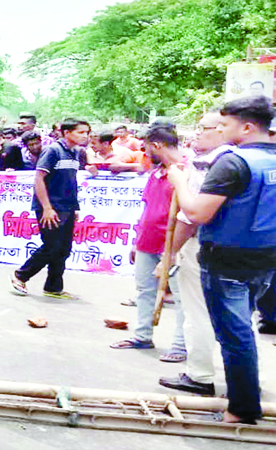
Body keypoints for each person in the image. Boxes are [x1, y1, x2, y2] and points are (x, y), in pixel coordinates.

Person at [168, 95, 276, 424]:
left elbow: (197, 212)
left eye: (225, 124)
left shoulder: (233, 162)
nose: (220, 129)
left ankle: (241, 409)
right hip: (265, 258)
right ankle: (245, 397)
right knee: (242, 329)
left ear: (246, 126)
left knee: (234, 335)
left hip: (228, 260)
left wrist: (179, 182)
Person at [155, 111, 235, 396]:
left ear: (224, 129)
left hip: (206, 246)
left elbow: (191, 216)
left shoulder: (214, 164)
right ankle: (243, 379)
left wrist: (170, 255)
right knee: (236, 317)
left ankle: (199, 375)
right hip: (242, 250)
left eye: (204, 128)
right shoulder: (250, 161)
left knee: (198, 313)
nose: (197, 134)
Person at [109, 122, 186, 362]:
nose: (144, 153)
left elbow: (188, 214)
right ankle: (142, 335)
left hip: (174, 244)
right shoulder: (156, 173)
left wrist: (173, 251)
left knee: (183, 297)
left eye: (146, 148)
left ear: (157, 145)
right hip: (147, 241)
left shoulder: (186, 172)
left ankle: (180, 346)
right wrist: (135, 240)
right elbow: (147, 208)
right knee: (144, 291)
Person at [10, 118, 91, 299]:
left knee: (64, 248)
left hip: (67, 207)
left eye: (87, 132)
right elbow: (39, 179)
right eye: (80, 132)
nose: (85, 136)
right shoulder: (53, 150)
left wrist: (74, 207)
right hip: (50, 206)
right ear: (66, 132)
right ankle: (21, 275)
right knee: (51, 246)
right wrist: (47, 208)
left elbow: (70, 181)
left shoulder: (76, 153)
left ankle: (53, 287)